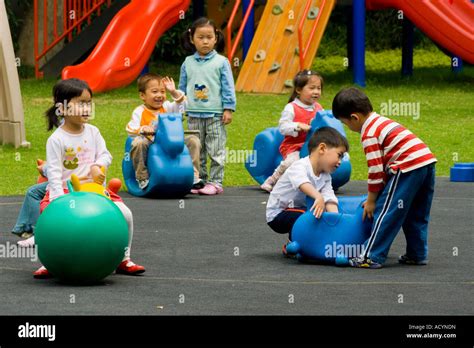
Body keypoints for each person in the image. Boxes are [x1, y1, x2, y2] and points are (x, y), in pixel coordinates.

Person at [30, 78, 145, 278]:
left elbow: (105, 155)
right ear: (62, 108)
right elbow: (54, 173)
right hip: (66, 191)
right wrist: (57, 201)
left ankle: (123, 258)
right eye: (80, 103)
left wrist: (97, 166)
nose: (86, 108)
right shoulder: (56, 139)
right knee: (51, 223)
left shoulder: (93, 132)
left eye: (88, 103)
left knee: (125, 214)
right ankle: (49, 260)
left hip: (93, 189)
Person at [332, 87, 437, 269]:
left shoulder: (369, 133)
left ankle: (371, 256)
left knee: (386, 211)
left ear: (355, 118)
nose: (349, 128)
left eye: (346, 124)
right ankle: (417, 253)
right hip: (426, 162)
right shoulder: (381, 121)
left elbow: (376, 171)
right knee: (416, 213)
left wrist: (372, 201)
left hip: (407, 167)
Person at [266, 127, 349, 256]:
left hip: (298, 210)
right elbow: (302, 183)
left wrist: (336, 220)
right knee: (311, 216)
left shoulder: (325, 176)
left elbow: (329, 196)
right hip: (278, 214)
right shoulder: (300, 166)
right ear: (322, 149)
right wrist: (318, 197)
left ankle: (313, 243)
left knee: (321, 215)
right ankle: (293, 243)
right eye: (339, 155)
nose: (340, 162)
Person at [179, 17, 236, 195]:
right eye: (200, 37)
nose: (205, 41)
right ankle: (200, 180)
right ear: (191, 39)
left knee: (216, 149)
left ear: (215, 39)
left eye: (209, 37)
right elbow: (181, 89)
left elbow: (228, 87)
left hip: (215, 115)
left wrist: (228, 108)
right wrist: (179, 109)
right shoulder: (187, 62)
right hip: (193, 114)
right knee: (197, 149)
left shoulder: (221, 62)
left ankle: (216, 182)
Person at [126, 73, 203, 190]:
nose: (159, 95)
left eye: (162, 92)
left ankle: (192, 175)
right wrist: (143, 129)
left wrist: (173, 92)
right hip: (150, 142)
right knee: (138, 143)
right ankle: (142, 177)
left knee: (193, 140)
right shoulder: (139, 111)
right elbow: (130, 128)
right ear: (142, 95)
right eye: (154, 91)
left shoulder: (167, 107)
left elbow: (183, 105)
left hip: (170, 142)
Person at [261, 70, 324, 192]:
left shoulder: (318, 108)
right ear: (299, 90)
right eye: (312, 88)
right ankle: (272, 180)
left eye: (318, 88)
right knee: (292, 161)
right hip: (294, 146)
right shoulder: (292, 107)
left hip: (313, 145)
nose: (316, 92)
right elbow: (283, 127)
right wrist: (298, 126)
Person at [11, 160, 48, 240]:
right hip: (77, 183)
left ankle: (33, 230)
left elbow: (55, 171)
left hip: (64, 184)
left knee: (33, 192)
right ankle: (22, 227)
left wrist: (43, 168)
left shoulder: (58, 147)